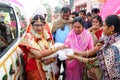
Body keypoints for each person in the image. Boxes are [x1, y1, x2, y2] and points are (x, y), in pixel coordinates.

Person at [67, 15, 120, 80]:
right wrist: (77, 53)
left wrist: (74, 56)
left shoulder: (112, 48)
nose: (102, 28)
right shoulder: (111, 40)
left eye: (104, 25)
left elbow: (94, 62)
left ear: (111, 28)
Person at [19, 14, 67, 80]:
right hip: (35, 68)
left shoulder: (45, 35)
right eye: (36, 25)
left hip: (48, 66)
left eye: (41, 25)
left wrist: (52, 59)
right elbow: (38, 54)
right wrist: (57, 48)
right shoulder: (28, 37)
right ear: (32, 25)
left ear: (44, 25)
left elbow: (51, 50)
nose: (39, 28)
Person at [52, 6, 72, 80]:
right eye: (64, 15)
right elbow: (52, 35)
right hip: (57, 50)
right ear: (61, 13)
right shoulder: (56, 23)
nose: (66, 17)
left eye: (68, 15)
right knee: (57, 67)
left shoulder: (71, 22)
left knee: (67, 68)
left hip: (68, 49)